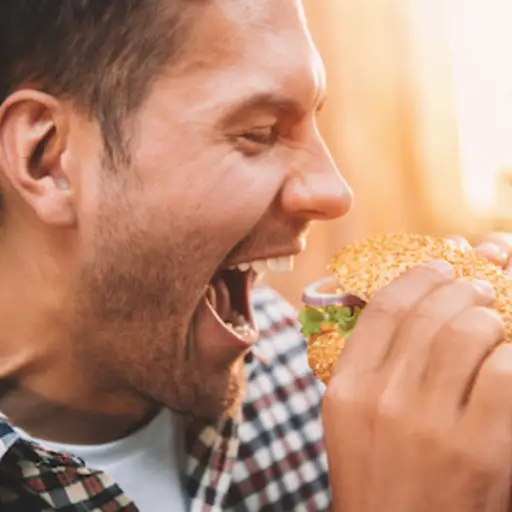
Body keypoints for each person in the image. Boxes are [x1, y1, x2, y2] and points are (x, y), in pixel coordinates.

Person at [1, 1, 512, 511]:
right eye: (260, 132)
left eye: (313, 121)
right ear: (46, 157)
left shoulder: (311, 375)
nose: (335, 193)